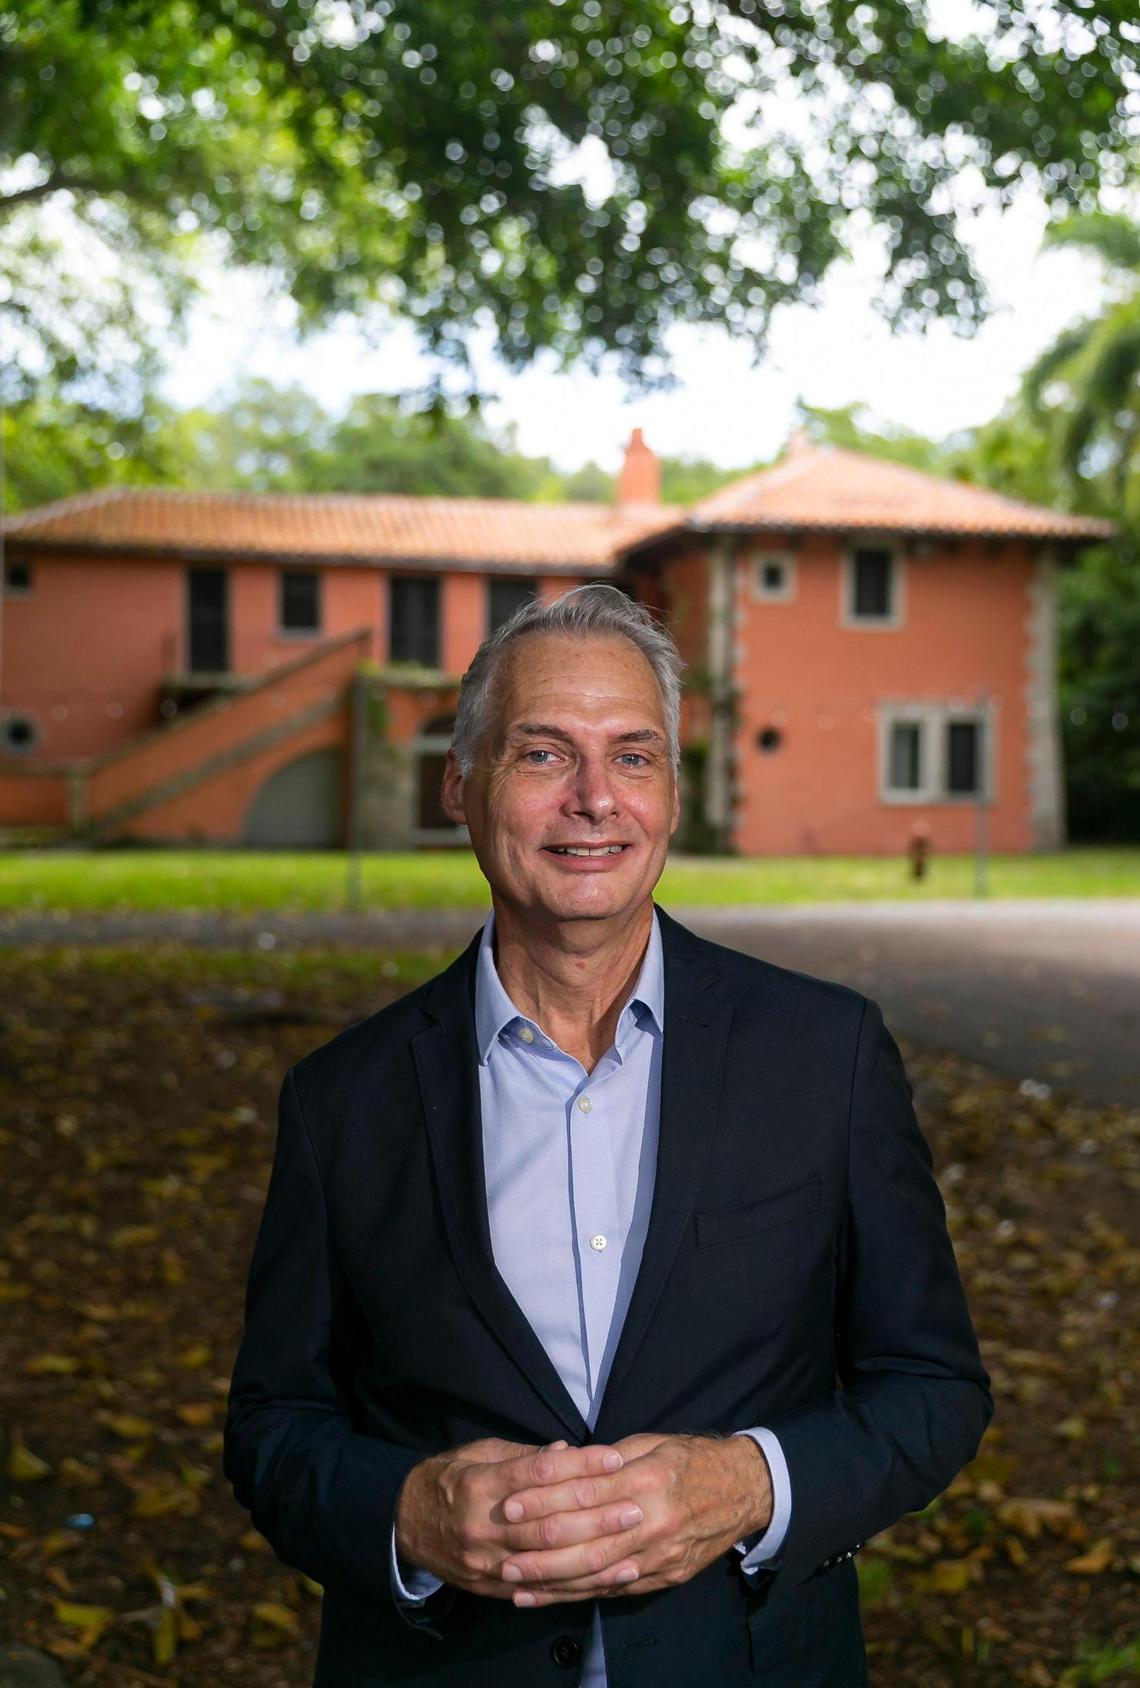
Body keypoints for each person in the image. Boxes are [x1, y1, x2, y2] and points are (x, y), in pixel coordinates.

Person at [224, 585, 992, 1687]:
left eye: (633, 756)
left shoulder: (828, 1055)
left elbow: (934, 1385)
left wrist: (750, 1483)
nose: (595, 800)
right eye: (543, 754)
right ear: (460, 781)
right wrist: (409, 1511)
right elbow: (273, 1424)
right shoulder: (344, 1097)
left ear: (672, 790)